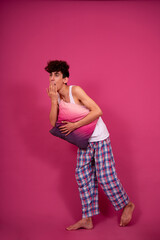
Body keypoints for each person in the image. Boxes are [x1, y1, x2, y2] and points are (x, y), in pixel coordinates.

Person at [45, 60, 135, 231]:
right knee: (82, 177)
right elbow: (52, 123)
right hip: (84, 141)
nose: (52, 79)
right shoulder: (54, 96)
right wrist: (53, 101)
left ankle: (127, 204)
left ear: (65, 79)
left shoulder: (75, 91)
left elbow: (97, 111)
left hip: (99, 138)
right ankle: (87, 219)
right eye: (50, 75)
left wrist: (74, 126)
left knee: (105, 177)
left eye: (56, 75)